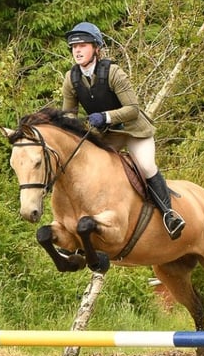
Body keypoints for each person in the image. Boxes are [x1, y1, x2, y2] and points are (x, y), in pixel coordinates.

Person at [61, 21, 185, 240]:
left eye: (83, 45)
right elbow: (68, 113)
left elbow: (132, 109)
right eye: (74, 47)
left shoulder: (113, 72)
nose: (77, 50)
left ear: (96, 48)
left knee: (146, 167)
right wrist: (74, 126)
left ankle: (169, 214)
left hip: (133, 131)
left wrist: (106, 116)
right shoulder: (71, 79)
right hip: (107, 135)